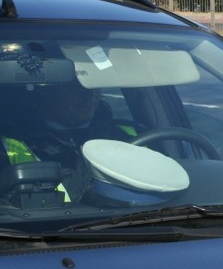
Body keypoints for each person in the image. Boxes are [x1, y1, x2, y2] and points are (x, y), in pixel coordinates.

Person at [1, 79, 134, 202]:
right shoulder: (8, 145)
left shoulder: (127, 134)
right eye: (78, 86)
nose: (90, 95)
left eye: (95, 86)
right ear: (45, 89)